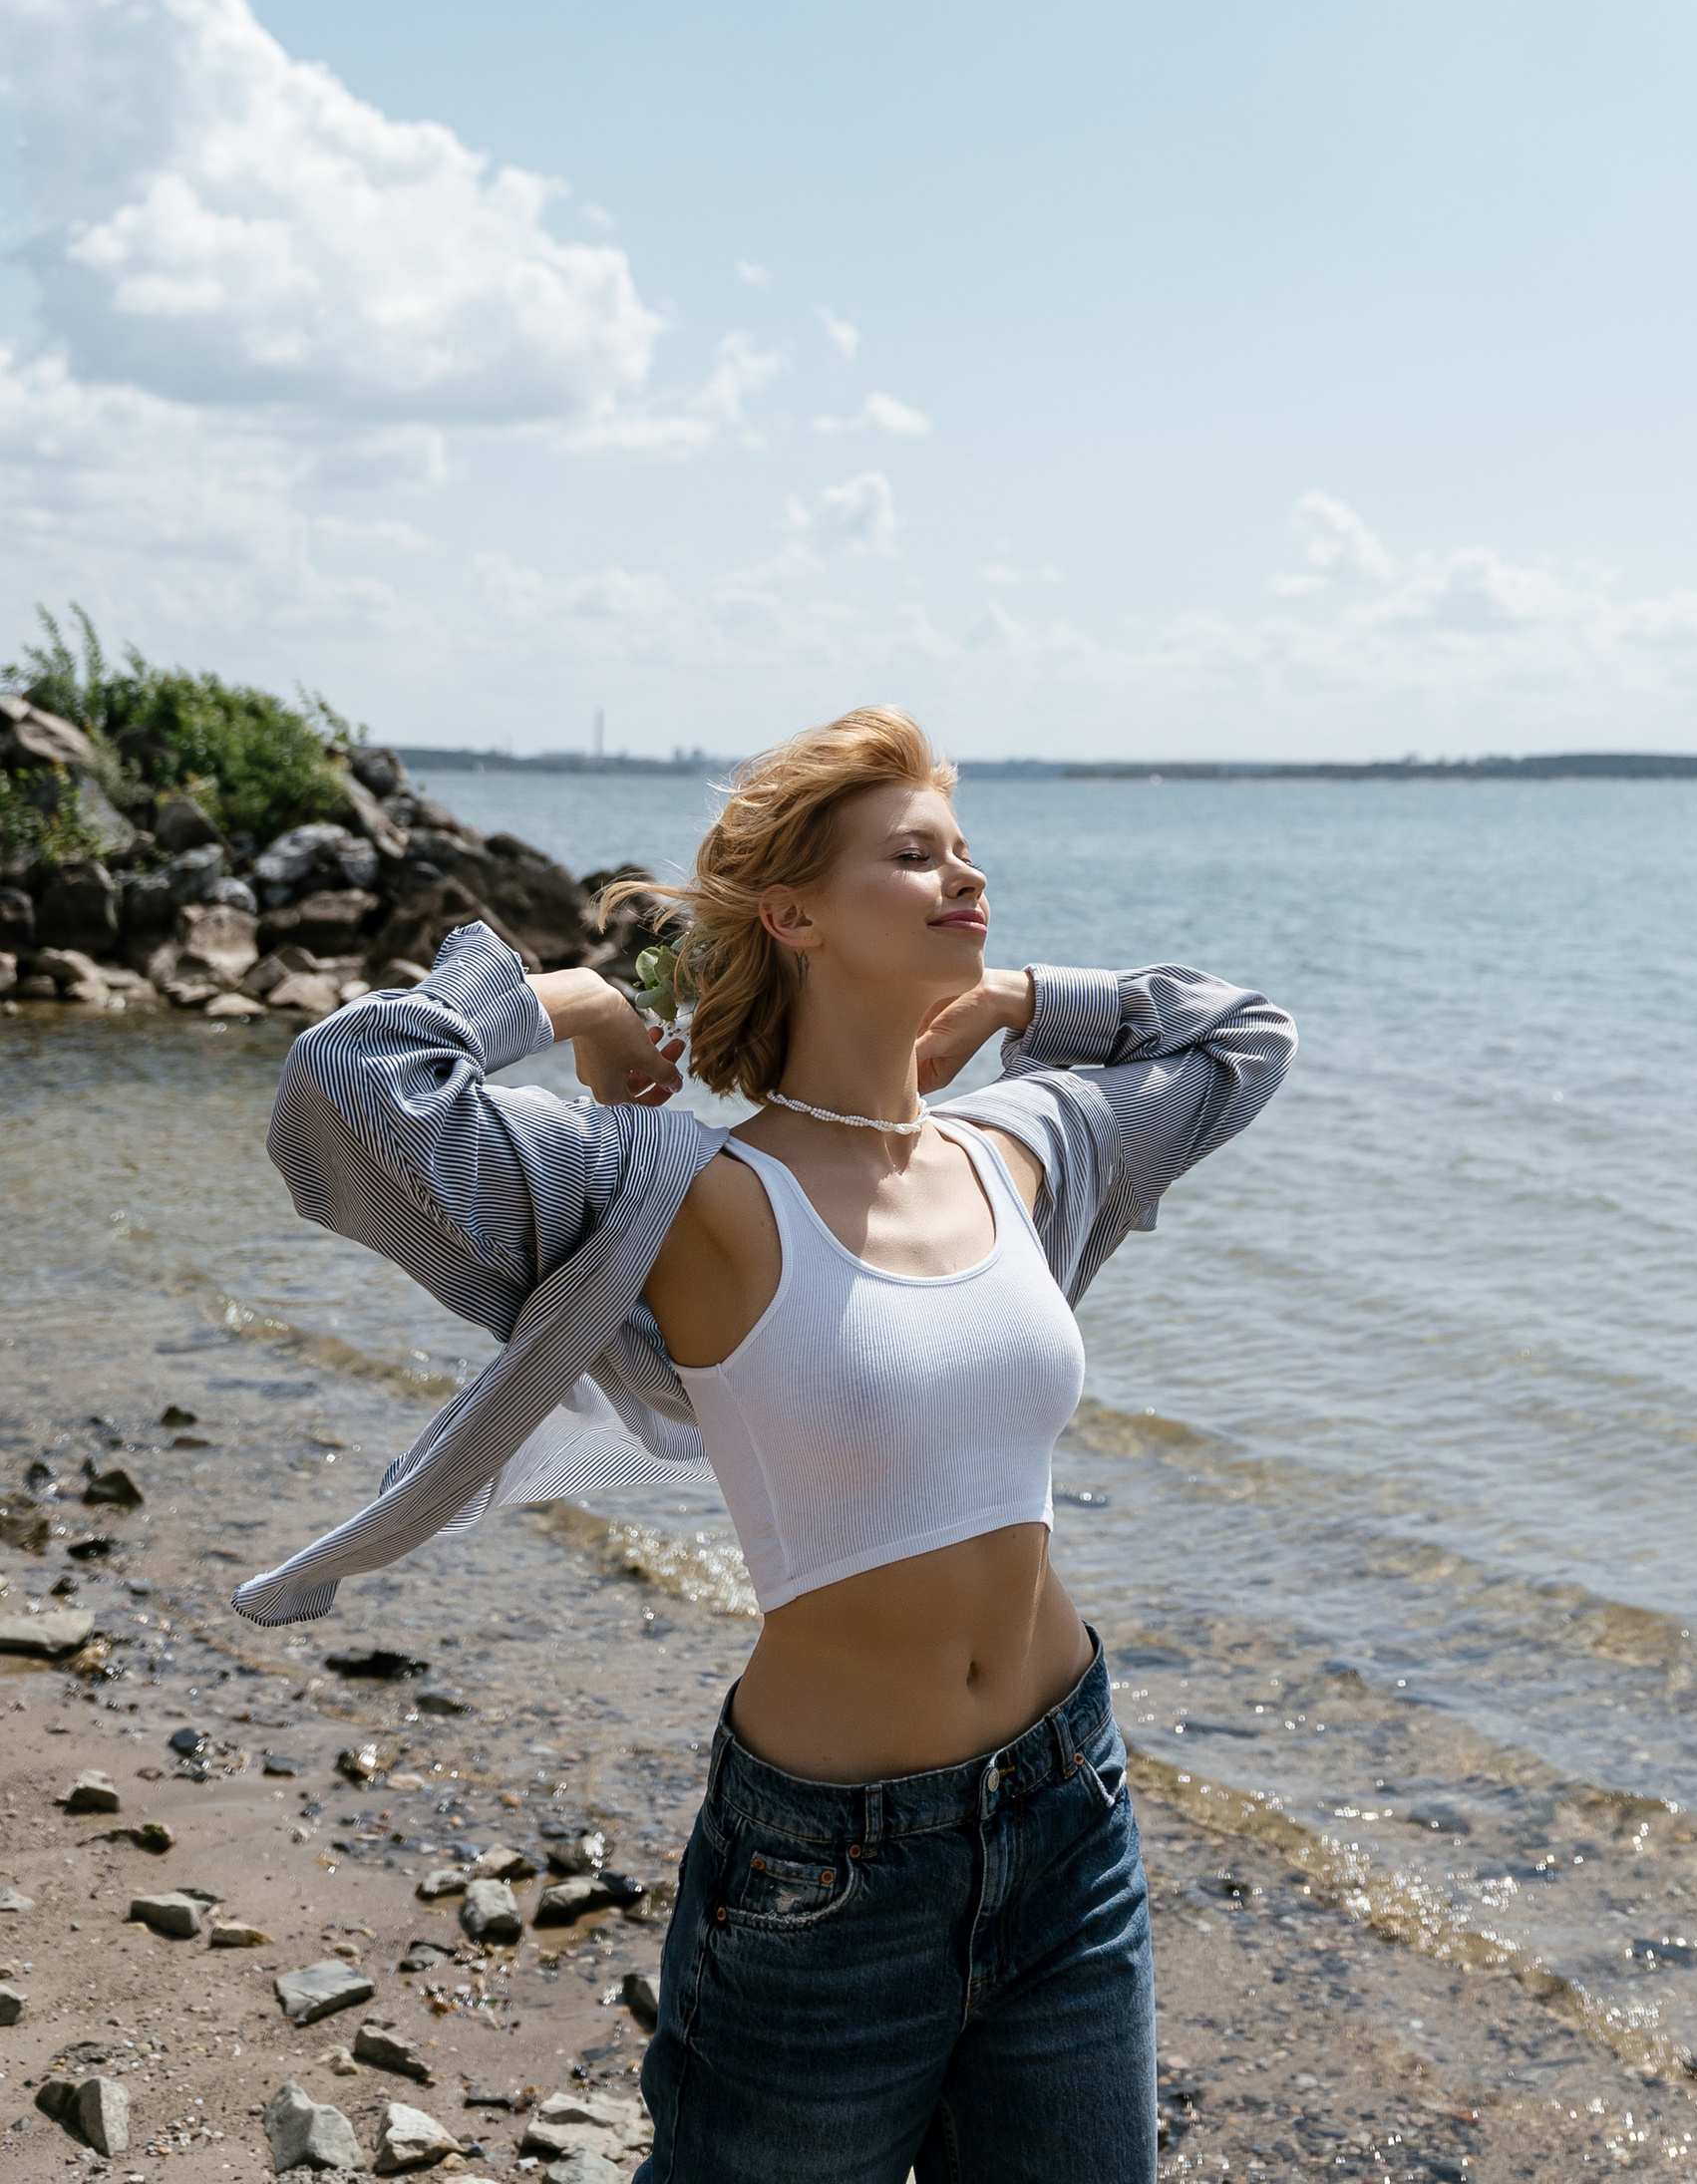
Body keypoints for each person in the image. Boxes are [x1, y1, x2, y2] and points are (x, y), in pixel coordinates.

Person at [243, 706, 1295, 2184]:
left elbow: (1244, 1038)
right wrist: (583, 1002)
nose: (963, 878)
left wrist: (1014, 1002)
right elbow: (348, 1087)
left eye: (966, 851)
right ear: (793, 912)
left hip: (1070, 1813)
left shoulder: (1028, 1148)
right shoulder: (684, 1195)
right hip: (826, 1873)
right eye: (914, 856)